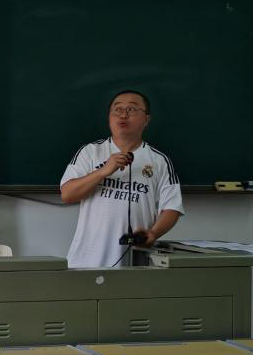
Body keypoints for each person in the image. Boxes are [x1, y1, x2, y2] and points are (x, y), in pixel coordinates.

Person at [60, 89, 184, 269]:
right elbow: (67, 194)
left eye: (131, 109)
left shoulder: (159, 161)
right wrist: (103, 171)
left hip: (136, 261)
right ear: (109, 118)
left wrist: (153, 233)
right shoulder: (90, 152)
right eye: (117, 109)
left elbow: (172, 207)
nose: (123, 114)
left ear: (146, 119)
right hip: (86, 260)